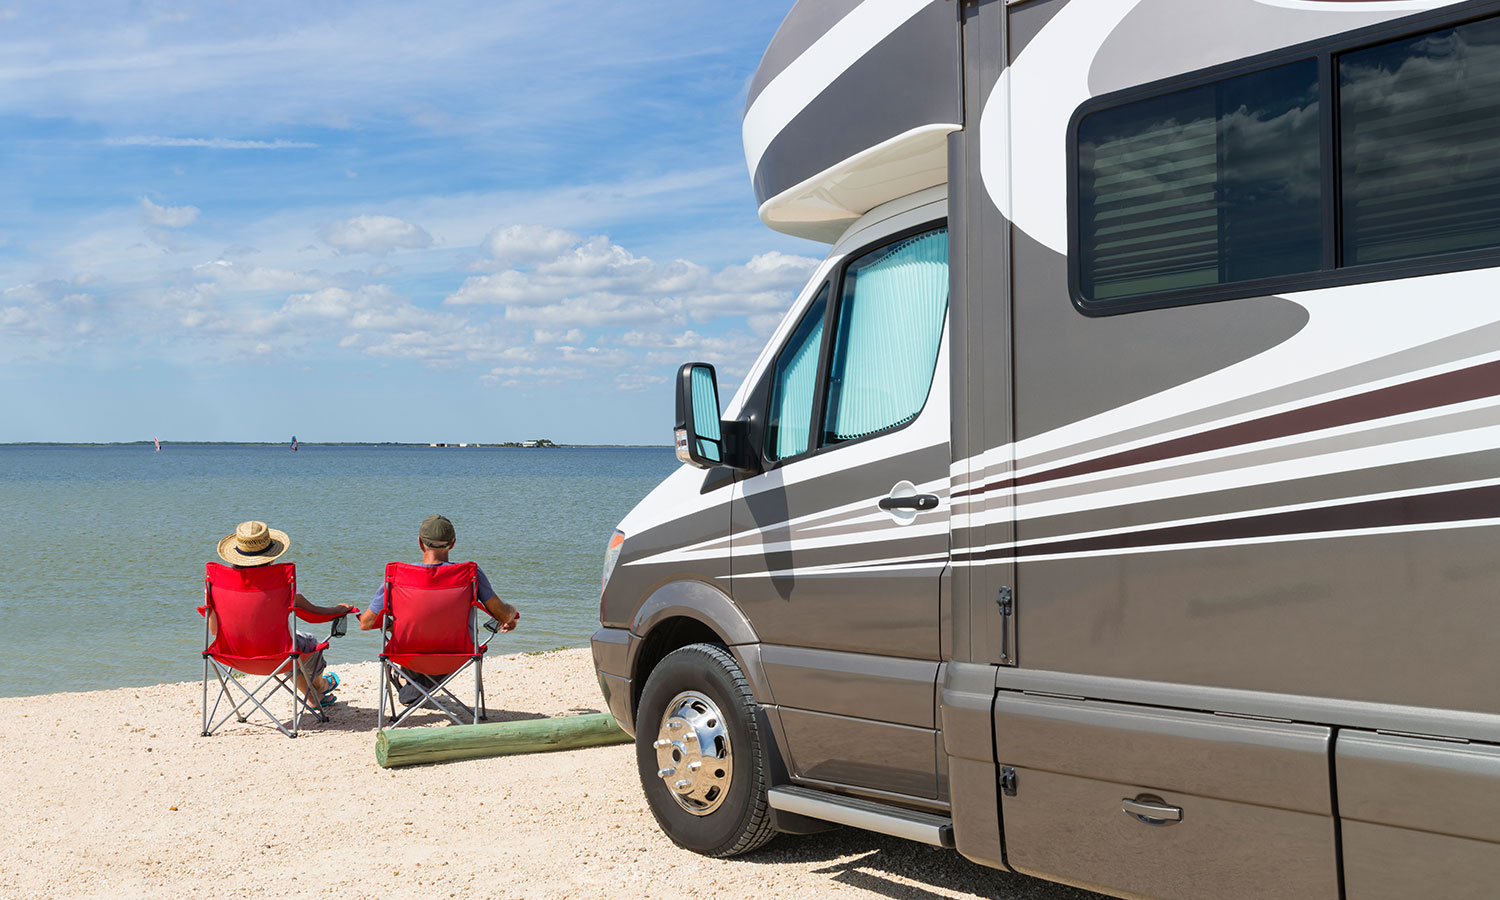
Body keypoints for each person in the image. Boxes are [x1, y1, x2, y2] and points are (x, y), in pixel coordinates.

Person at [359, 514, 519, 705]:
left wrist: (392, 626)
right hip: (459, 654)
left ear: (420, 543)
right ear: (452, 543)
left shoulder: (398, 576)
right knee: (445, 636)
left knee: (405, 632)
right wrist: (511, 615)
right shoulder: (470, 573)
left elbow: (366, 623)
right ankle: (416, 686)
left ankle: (408, 681)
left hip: (407, 654)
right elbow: (501, 613)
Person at [211, 520, 353, 707]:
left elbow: (214, 631)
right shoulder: (282, 589)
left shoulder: (215, 588)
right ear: (271, 556)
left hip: (232, 656)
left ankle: (314, 698)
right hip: (279, 656)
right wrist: (340, 610)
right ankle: (322, 685)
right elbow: (316, 614)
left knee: (289, 646)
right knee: (305, 642)